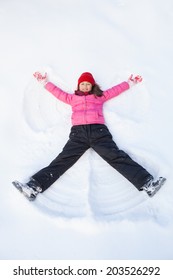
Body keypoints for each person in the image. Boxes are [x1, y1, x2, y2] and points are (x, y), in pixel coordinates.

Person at [13, 72, 166, 201]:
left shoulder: (99, 97)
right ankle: (33, 187)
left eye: (88, 84)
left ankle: (147, 183)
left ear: (92, 86)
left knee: (116, 157)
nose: (85, 86)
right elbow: (58, 93)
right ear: (78, 86)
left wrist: (129, 83)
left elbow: (115, 90)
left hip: (99, 132)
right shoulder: (72, 98)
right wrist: (45, 83)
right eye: (82, 84)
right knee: (63, 160)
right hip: (78, 135)